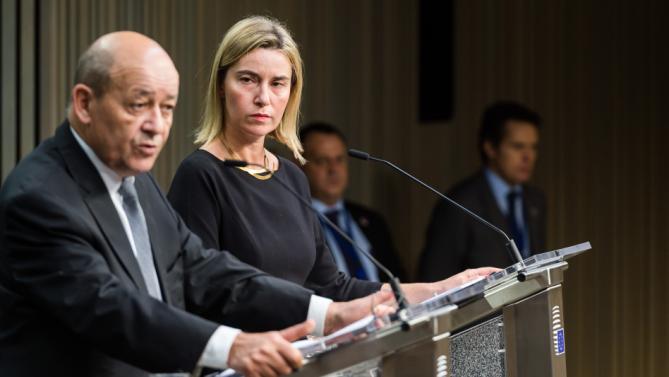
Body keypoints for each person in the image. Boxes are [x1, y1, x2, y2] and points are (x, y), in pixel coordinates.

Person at [0, 31, 393, 377]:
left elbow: (201, 268)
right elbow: (112, 310)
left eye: (167, 108)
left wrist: (328, 314)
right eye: (139, 105)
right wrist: (235, 347)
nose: (156, 126)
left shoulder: (135, 179)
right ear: (84, 104)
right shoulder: (39, 198)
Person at [167, 16, 495, 308]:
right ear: (222, 86)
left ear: (291, 93)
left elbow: (331, 287)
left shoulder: (291, 176)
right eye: (248, 79)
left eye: (277, 83)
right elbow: (202, 294)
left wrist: (441, 289)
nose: (263, 98)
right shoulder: (200, 175)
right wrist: (322, 317)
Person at [419, 101, 547, 281]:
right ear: (490, 148)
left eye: (533, 147)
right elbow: (435, 278)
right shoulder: (459, 203)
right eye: (517, 146)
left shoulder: (535, 200)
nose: (528, 156)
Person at [298, 122, 406, 282]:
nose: (333, 169)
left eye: (339, 159)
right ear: (299, 164)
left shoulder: (373, 221)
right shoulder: (295, 223)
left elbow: (400, 280)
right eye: (322, 160)